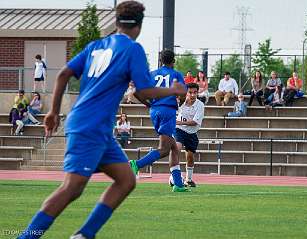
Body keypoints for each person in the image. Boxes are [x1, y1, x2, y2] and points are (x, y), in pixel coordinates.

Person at [17, 2, 186, 239]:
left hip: (96, 129)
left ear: (116, 23)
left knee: (126, 179)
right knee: (71, 188)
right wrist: (173, 90)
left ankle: (84, 234)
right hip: (91, 127)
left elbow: (64, 74)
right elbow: (144, 91)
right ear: (138, 26)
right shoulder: (132, 49)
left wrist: (53, 112)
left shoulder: (95, 46)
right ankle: (26, 237)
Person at [129, 49, 188, 192]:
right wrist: (178, 100)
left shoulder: (152, 74)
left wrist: (148, 104)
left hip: (154, 111)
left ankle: (179, 184)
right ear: (173, 61)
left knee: (174, 147)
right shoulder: (176, 74)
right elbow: (183, 92)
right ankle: (137, 164)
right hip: (168, 111)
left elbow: (136, 92)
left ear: (160, 61)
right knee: (164, 149)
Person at [174, 83, 205, 187]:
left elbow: (195, 122)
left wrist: (179, 122)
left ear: (198, 92)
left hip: (192, 133)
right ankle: (174, 176)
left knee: (190, 157)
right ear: (186, 93)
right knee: (176, 149)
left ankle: (189, 179)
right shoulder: (179, 102)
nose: (192, 95)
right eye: (190, 92)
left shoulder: (200, 105)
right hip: (179, 130)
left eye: (195, 92)